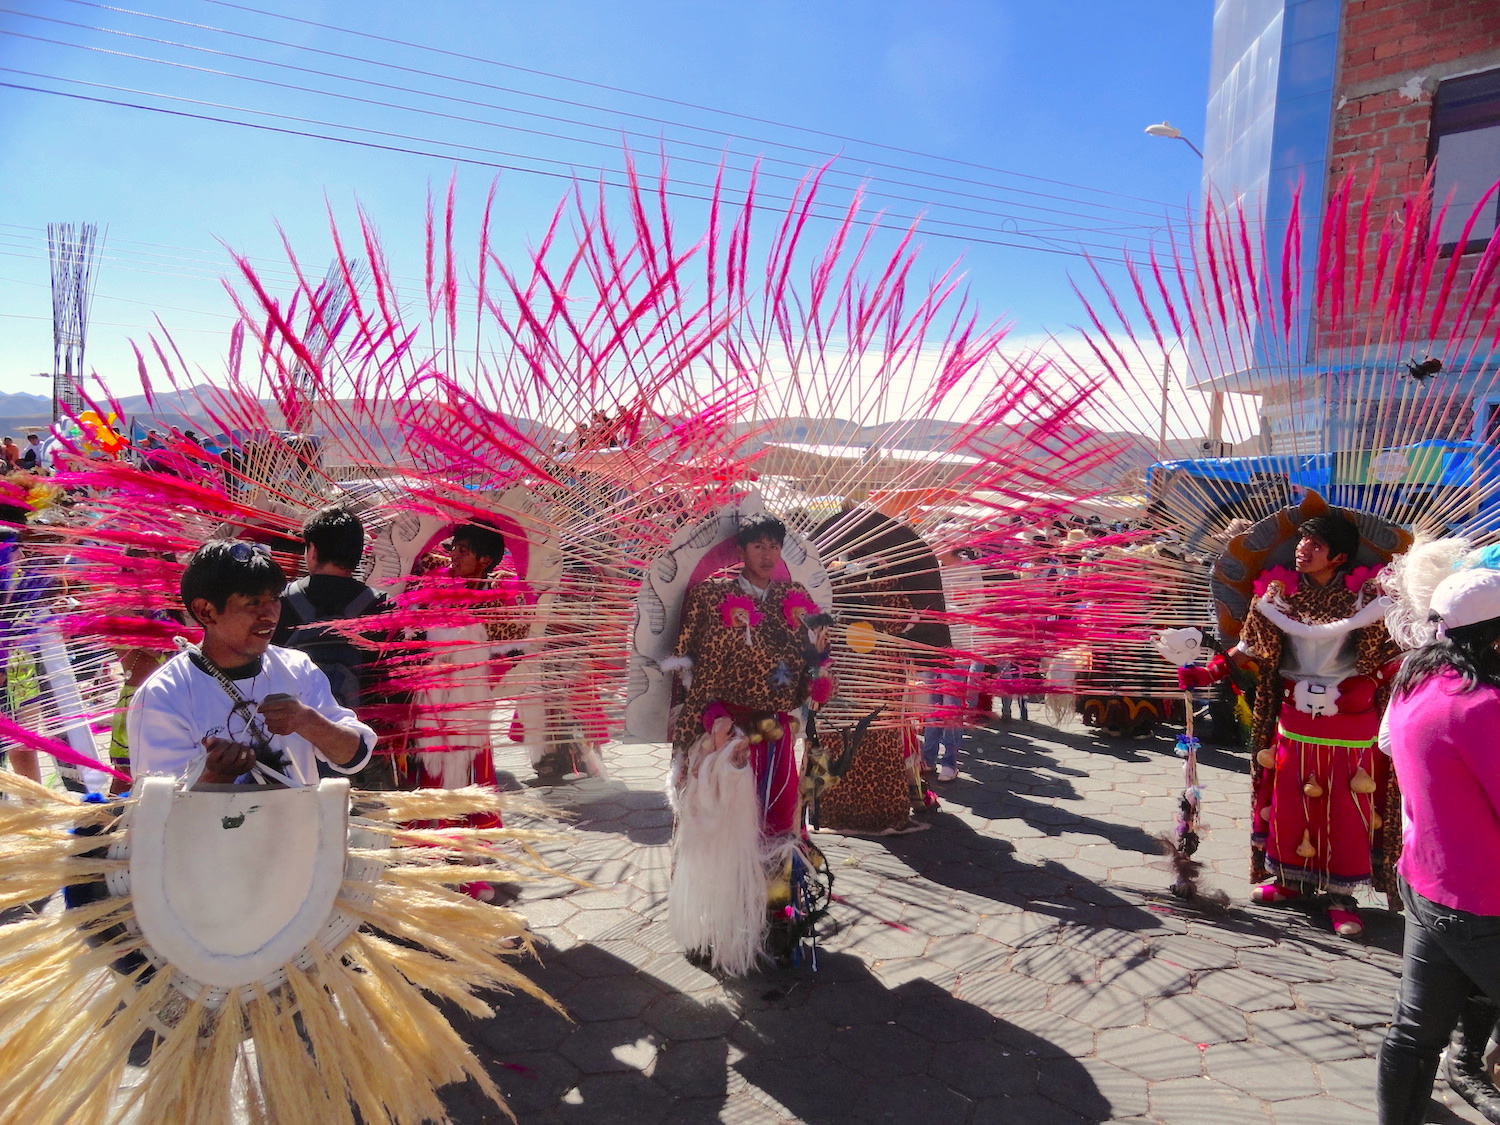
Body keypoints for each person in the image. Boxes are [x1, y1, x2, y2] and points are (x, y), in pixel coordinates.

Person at [1180, 512, 1399, 937]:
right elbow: (1248, 646)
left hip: (1350, 722)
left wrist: (1369, 682)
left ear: (1338, 557)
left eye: (1315, 545)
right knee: (1289, 801)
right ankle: (1291, 882)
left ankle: (1341, 896)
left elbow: (1397, 653)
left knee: (1346, 808)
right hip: (1293, 718)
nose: (1303, 549)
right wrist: (1211, 673)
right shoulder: (1279, 596)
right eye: (1301, 541)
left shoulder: (1368, 599)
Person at [666, 515, 833, 971]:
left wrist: (816, 678)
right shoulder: (711, 598)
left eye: (773, 545)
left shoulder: (797, 603)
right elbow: (692, 673)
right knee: (719, 830)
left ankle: (777, 918)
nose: (766, 553)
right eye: (757, 545)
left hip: (775, 736)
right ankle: (714, 921)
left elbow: (814, 668)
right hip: (727, 738)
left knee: (778, 829)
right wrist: (714, 721)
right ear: (740, 552)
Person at [1376, 565, 1500, 1124]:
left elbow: (1385, 743)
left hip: (1426, 882)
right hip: (1481, 900)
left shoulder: (1415, 680)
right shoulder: (1483, 706)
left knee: (1414, 1031)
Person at [127, 539, 373, 786]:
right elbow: (157, 807)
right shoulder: (164, 694)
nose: (270, 615)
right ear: (206, 611)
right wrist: (215, 776)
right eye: (253, 602)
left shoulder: (297, 669)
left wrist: (307, 721)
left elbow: (354, 756)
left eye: (275, 599)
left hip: (298, 825)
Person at [273, 505, 401, 788]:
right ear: (357, 554)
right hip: (364, 748)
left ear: (313, 550)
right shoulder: (381, 606)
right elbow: (395, 683)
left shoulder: (280, 604)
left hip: (294, 750)